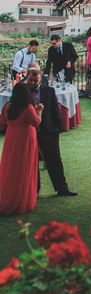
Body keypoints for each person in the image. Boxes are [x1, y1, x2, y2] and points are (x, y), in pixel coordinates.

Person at [27, 69, 77, 196]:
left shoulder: (49, 91)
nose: (32, 83)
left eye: (35, 81)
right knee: (31, 162)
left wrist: (57, 129)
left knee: (55, 160)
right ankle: (33, 191)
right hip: (28, 132)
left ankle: (62, 188)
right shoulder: (22, 91)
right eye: (30, 80)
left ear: (40, 80)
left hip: (48, 131)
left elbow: (55, 110)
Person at [0, 83, 43, 214]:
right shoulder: (28, 107)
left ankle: (8, 196)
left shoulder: (8, 106)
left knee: (11, 167)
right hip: (26, 139)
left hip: (11, 137)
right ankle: (22, 199)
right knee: (25, 167)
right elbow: (36, 122)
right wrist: (40, 110)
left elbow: (3, 121)